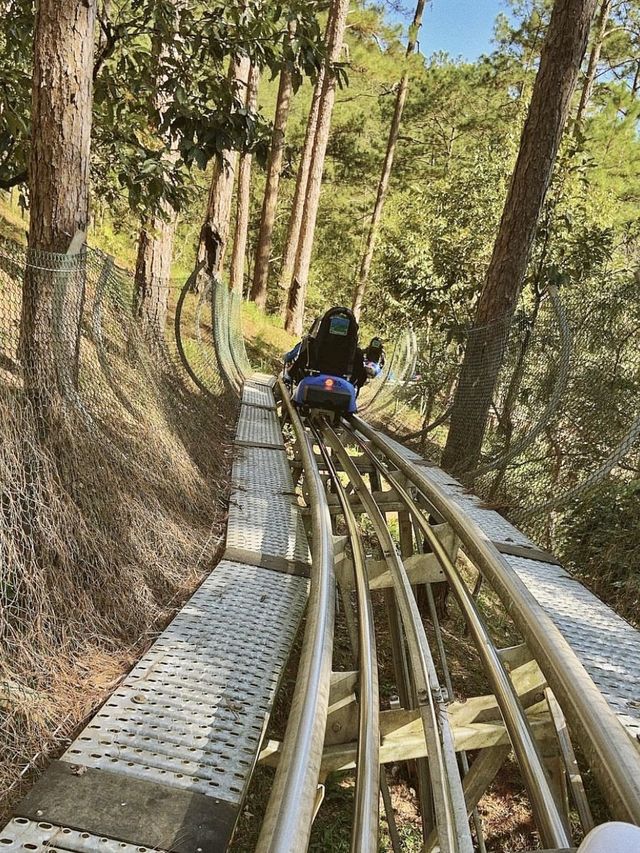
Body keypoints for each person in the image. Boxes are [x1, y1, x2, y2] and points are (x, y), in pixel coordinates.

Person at [283, 307, 384, 394]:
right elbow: (361, 377)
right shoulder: (356, 353)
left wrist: (291, 375)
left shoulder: (312, 346)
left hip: (312, 383)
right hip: (343, 388)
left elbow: (298, 366)